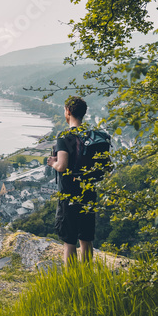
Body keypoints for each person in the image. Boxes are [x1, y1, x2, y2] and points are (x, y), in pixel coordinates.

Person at [47, 95, 111, 263]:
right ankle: (87, 275)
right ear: (84, 113)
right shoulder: (91, 135)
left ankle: (72, 280)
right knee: (86, 238)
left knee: (69, 240)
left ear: (68, 111)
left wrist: (53, 163)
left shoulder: (64, 136)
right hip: (89, 191)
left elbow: (62, 166)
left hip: (69, 194)